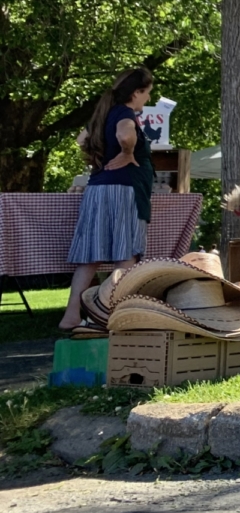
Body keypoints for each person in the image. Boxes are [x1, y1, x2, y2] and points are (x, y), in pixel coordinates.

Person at [61, 67, 156, 330]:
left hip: (98, 189)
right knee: (125, 255)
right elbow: (126, 134)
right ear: (136, 92)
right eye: (147, 93)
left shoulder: (102, 115)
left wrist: (99, 158)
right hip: (125, 190)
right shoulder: (125, 114)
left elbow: (82, 140)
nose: (147, 99)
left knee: (89, 257)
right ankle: (108, 312)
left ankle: (71, 315)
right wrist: (127, 152)